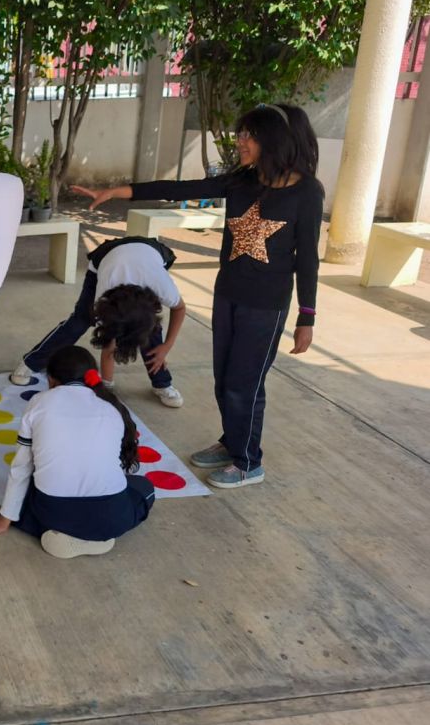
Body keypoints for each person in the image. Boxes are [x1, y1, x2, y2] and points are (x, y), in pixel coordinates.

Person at [71, 103, 323, 489]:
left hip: (266, 305)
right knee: (224, 380)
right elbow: (180, 189)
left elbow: (307, 258)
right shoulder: (243, 181)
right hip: (228, 295)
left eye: (249, 136)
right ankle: (231, 442)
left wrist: (307, 316)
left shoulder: (306, 192)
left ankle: (248, 462)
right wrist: (118, 191)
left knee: (244, 384)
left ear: (275, 140)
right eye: (241, 134)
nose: (240, 142)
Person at [0, 345, 154, 558]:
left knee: (29, 493)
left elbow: (21, 467)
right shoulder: (111, 408)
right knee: (144, 487)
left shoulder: (39, 402)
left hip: (56, 513)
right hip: (112, 519)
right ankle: (95, 537)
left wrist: (4, 518)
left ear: (51, 380)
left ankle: (59, 533)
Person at [9, 235, 187, 408]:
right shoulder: (104, 297)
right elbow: (109, 348)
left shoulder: (162, 287)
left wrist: (167, 346)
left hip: (149, 254)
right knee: (79, 321)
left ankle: (162, 383)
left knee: (146, 327)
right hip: (106, 257)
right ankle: (30, 363)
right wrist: (106, 388)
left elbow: (179, 309)